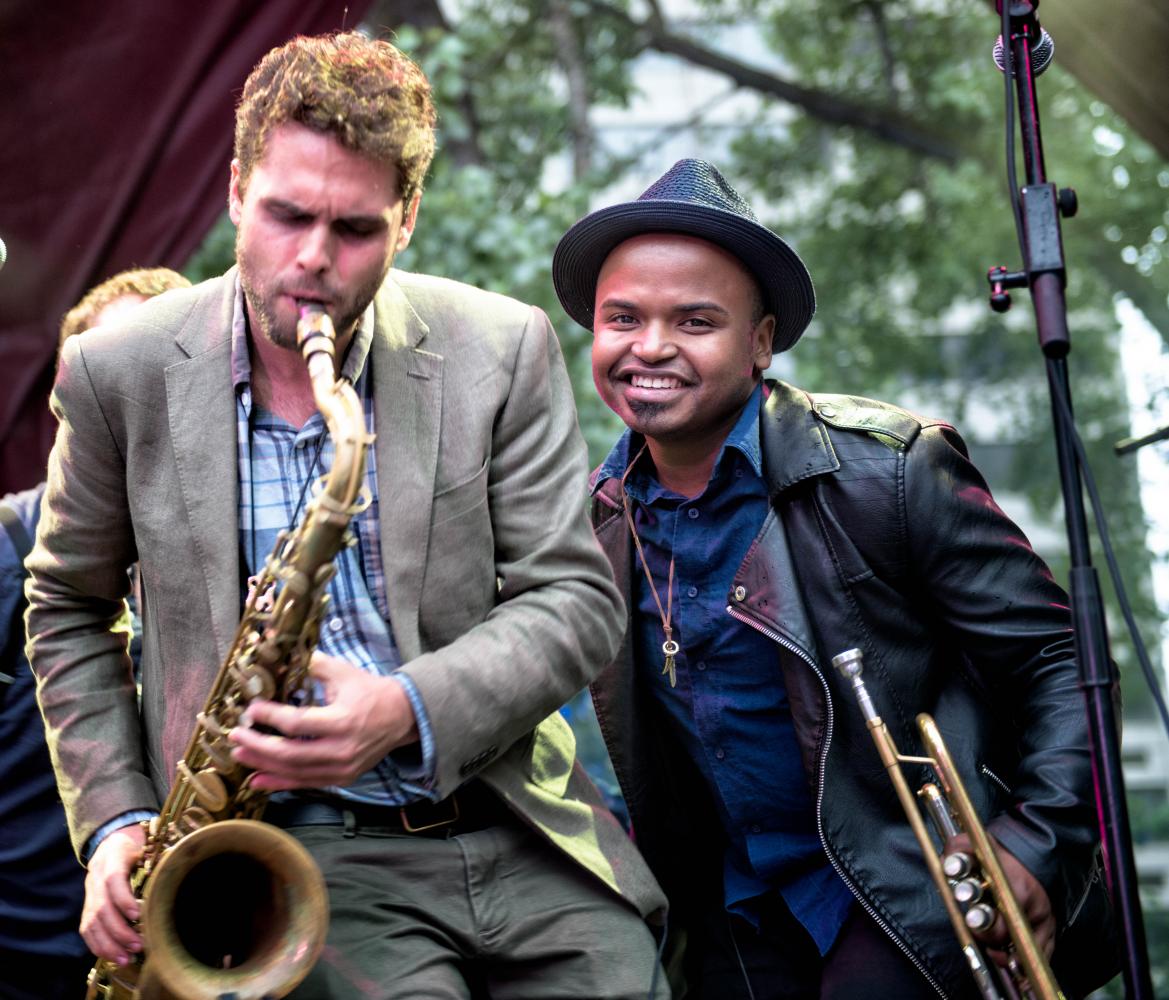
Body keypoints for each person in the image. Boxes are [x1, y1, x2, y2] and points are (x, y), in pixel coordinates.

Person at [25, 32, 666, 1000]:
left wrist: (405, 709)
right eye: (285, 215)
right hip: (301, 851)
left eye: (355, 229)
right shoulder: (120, 372)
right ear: (236, 190)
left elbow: (573, 599)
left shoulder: (501, 345)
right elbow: (68, 607)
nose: (313, 260)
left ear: (405, 218)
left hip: (515, 828)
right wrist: (117, 821)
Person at [551, 158, 1115, 999]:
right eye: (621, 318)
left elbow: (1059, 663)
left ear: (761, 342)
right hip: (730, 916)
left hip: (900, 891)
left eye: (695, 320)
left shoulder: (889, 470)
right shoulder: (587, 519)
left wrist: (1032, 845)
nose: (651, 347)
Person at [1, 266, 189, 1000]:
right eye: (111, 379)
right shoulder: (9, 547)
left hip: (187, 956)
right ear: (65, 399)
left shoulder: (243, 556)